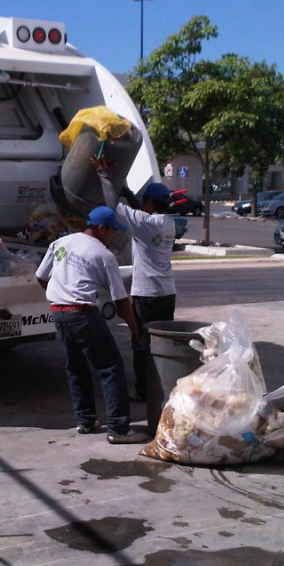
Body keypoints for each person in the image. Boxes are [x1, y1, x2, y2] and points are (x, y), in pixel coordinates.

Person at [35, 206, 148, 444]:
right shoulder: (104, 255)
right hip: (82, 313)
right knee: (110, 367)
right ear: (101, 228)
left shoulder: (62, 242)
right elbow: (121, 301)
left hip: (59, 312)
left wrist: (60, 295)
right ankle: (118, 428)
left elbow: (41, 276)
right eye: (112, 232)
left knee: (76, 367)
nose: (112, 237)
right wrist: (135, 331)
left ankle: (85, 420)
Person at [96, 166, 176, 401]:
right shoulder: (167, 222)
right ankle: (161, 384)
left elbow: (113, 206)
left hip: (147, 294)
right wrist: (127, 191)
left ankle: (144, 390)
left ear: (149, 203)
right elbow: (138, 209)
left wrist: (104, 175)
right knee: (162, 340)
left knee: (141, 340)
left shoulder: (144, 223)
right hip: (167, 293)